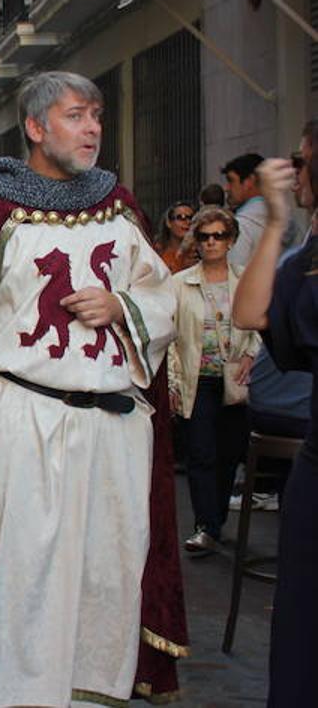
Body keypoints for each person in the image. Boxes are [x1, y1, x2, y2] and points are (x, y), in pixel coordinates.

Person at [0, 71, 184, 706]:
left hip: (114, 427)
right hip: (27, 422)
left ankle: (92, 691)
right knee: (24, 572)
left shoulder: (120, 207)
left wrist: (122, 306)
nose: (94, 128)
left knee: (109, 569)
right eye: (77, 116)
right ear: (36, 127)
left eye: (97, 115)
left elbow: (164, 299)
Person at [232, 123, 317, 707]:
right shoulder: (306, 255)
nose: (296, 170)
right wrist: (279, 222)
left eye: (304, 160)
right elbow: (249, 311)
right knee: (306, 615)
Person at [167, 207, 259, 556]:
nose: (211, 243)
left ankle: (215, 519)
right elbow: (170, 337)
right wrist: (173, 382)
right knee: (201, 454)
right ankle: (205, 525)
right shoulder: (180, 284)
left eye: (219, 236)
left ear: (231, 240)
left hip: (235, 379)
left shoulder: (245, 280)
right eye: (204, 237)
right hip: (196, 381)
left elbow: (259, 325)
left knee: (229, 454)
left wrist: (251, 356)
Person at [224, 151, 298, 266]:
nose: (226, 188)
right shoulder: (291, 220)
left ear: (250, 181)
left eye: (231, 181)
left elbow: (234, 273)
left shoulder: (242, 225)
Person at [154, 199, 197, 274]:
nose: (188, 222)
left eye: (191, 218)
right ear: (168, 223)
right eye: (181, 217)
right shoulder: (158, 250)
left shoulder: (199, 250)